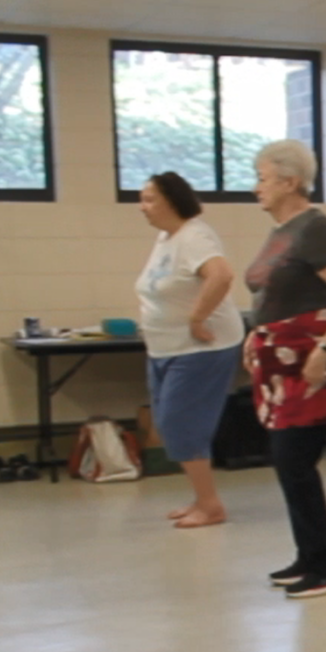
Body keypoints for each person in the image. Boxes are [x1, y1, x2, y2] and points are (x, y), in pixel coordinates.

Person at [248, 139, 326, 599]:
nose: (256, 187)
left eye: (262, 178)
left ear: (290, 181)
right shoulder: (283, 229)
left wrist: (325, 347)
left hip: (307, 359)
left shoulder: (316, 227)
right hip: (279, 359)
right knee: (287, 460)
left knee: (294, 459)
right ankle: (311, 554)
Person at [134, 171, 245, 529]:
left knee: (179, 425)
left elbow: (222, 275)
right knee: (171, 425)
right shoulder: (166, 238)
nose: (142, 207)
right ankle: (200, 498)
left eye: (149, 199)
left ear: (171, 200)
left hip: (200, 349)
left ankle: (211, 505)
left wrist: (198, 318)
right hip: (164, 348)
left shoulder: (194, 236)